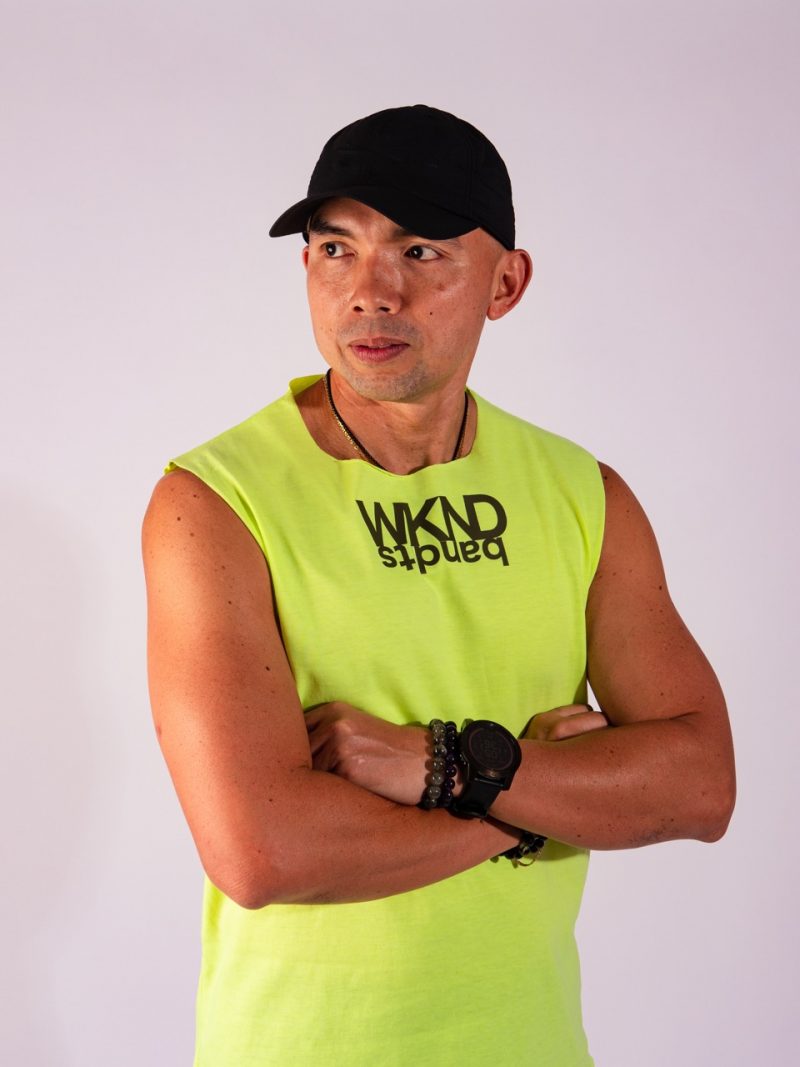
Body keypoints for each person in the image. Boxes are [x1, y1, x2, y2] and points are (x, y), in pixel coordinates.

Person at [142, 105, 735, 1066]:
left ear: (506, 282)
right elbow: (262, 850)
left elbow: (700, 784)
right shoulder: (215, 501)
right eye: (335, 248)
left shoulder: (582, 494)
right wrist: (517, 796)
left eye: (420, 251)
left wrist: (439, 765)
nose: (369, 292)